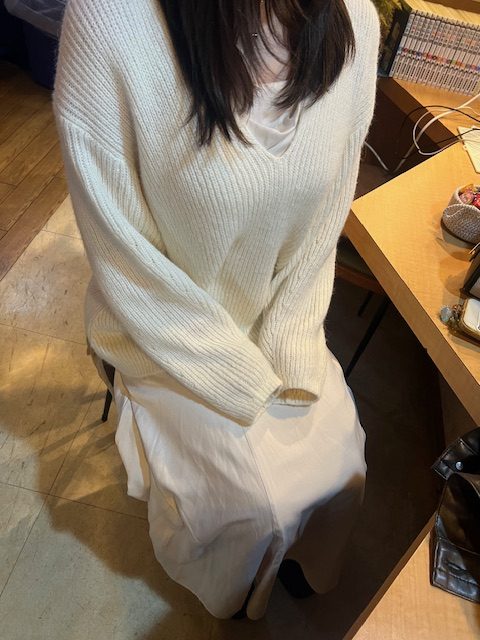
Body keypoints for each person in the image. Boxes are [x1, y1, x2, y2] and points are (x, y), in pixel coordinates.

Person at [53, 0, 380, 621]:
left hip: (276, 313)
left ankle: (305, 567)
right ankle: (233, 598)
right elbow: (124, 256)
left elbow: (326, 217)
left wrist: (291, 340)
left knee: (346, 464)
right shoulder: (111, 22)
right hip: (159, 328)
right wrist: (237, 376)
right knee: (250, 508)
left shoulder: (357, 21)